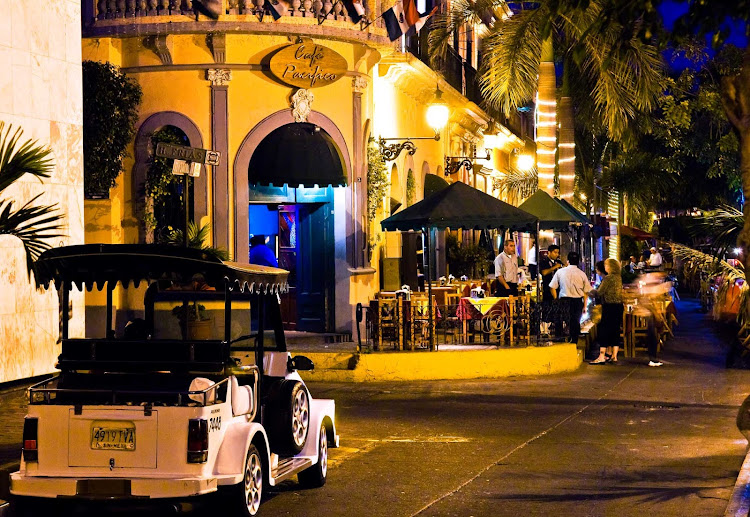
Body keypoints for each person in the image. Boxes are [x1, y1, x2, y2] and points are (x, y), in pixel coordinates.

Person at [549, 251, 592, 344]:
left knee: (560, 320)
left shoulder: (560, 272)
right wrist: (585, 306)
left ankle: (560, 340)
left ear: (568, 261)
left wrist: (556, 298)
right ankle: (574, 342)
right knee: (575, 322)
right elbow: (586, 292)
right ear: (578, 262)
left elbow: (552, 287)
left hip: (564, 300)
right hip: (577, 301)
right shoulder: (582, 274)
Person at [588, 259, 624, 365]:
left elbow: (599, 293)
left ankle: (602, 356)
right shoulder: (618, 277)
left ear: (611, 267)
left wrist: (589, 290)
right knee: (615, 330)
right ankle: (614, 356)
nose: (606, 267)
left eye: (607, 265)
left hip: (609, 307)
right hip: (618, 306)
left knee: (604, 330)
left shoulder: (608, 278)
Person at [539, 245, 563, 336]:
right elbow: (544, 272)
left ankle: (558, 330)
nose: (557, 254)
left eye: (558, 252)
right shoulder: (543, 261)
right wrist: (554, 267)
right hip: (547, 289)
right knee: (547, 308)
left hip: (558, 289)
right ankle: (545, 330)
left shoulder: (559, 262)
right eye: (555, 252)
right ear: (549, 252)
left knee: (557, 310)